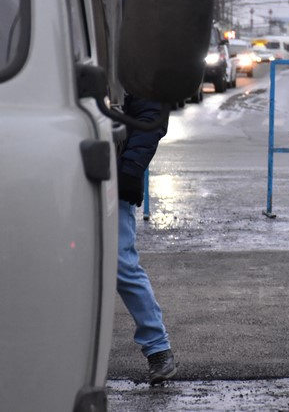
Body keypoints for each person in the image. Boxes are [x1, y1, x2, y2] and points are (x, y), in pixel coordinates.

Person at [116, 93, 177, 385]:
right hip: (42, 173)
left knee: (120, 264)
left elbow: (151, 114)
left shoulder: (124, 57)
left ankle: (158, 349)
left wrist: (130, 169)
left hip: (107, 171)